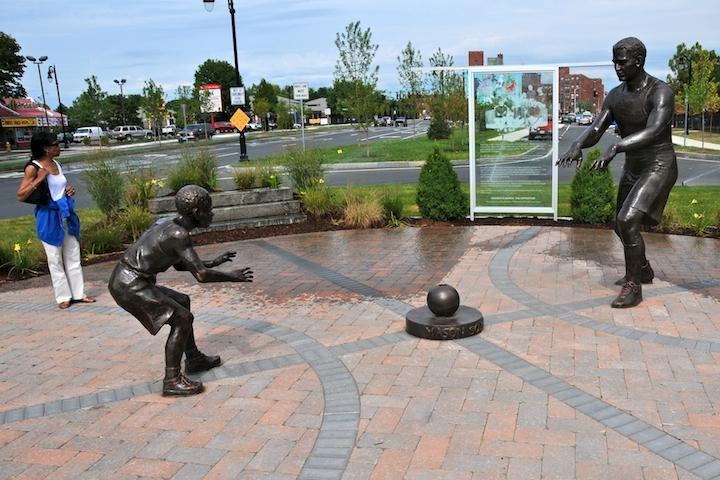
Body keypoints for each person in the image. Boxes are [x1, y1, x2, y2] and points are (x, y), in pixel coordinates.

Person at [557, 37, 678, 308]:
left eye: (621, 61)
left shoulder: (660, 92)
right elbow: (598, 128)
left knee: (627, 220)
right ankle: (643, 269)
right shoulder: (615, 95)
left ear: (639, 60)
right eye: (614, 61)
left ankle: (633, 285)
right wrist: (578, 144)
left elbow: (654, 131)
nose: (616, 67)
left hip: (659, 164)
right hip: (634, 166)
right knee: (618, 224)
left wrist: (617, 146)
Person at [108, 185, 253, 396]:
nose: (211, 214)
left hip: (131, 279)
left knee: (182, 302)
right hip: (129, 284)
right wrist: (233, 276)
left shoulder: (167, 224)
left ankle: (193, 359)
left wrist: (212, 262)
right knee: (182, 319)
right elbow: (201, 275)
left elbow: (179, 263)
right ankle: (172, 380)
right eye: (208, 210)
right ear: (196, 213)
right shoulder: (179, 234)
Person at [16, 131, 95, 309]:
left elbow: (57, 187)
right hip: (49, 217)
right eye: (55, 144)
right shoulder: (33, 167)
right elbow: (21, 195)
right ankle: (63, 297)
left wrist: (68, 190)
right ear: (45, 148)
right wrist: (39, 179)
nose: (59, 147)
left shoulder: (56, 164)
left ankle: (78, 293)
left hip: (66, 214)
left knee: (73, 254)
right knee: (54, 258)